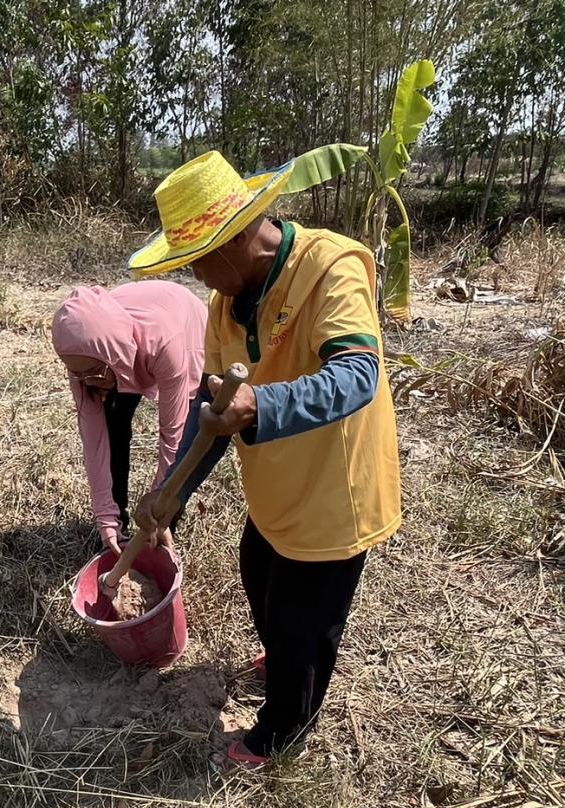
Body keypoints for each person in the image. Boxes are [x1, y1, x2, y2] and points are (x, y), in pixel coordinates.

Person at [131, 151, 402, 769]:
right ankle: (283, 659)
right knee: (259, 574)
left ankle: (283, 729)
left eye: (198, 259)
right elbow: (213, 416)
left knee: (304, 627)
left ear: (239, 239)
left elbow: (359, 373)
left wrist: (259, 403)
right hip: (279, 488)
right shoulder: (224, 309)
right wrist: (170, 493)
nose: (197, 274)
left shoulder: (329, 268)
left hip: (335, 493)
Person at [52, 282, 206, 555]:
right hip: (114, 348)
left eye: (91, 372)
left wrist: (159, 507)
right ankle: (118, 528)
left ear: (112, 355)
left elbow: (172, 436)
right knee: (113, 426)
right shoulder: (84, 361)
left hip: (181, 327)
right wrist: (105, 518)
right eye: (76, 373)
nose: (85, 381)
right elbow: (95, 441)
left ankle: (162, 533)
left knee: (185, 440)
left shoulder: (164, 345)